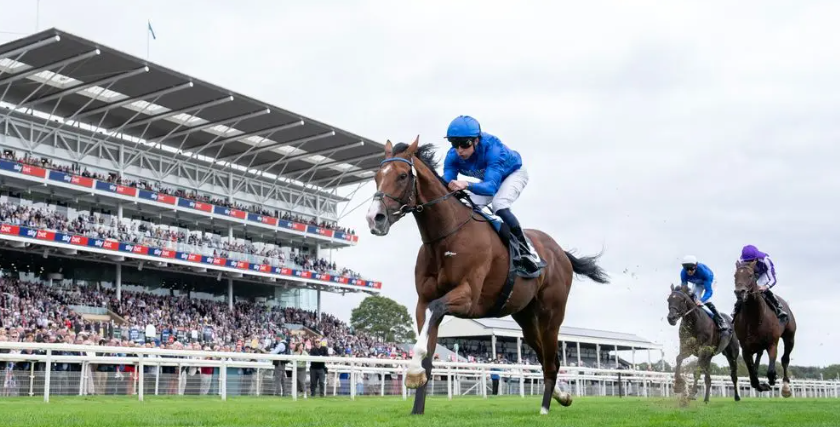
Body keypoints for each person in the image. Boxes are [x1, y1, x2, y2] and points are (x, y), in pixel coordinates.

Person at [442, 115, 541, 272]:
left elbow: (490, 189)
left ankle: (526, 250)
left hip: (512, 174)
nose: (459, 150)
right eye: (454, 144)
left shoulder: (493, 149)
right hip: (489, 180)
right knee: (464, 205)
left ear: (476, 140)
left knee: (499, 205)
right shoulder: (452, 156)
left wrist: (466, 184)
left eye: (464, 144)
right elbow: (444, 184)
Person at [734, 244, 788, 322]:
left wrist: (766, 286)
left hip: (763, 274)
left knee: (759, 286)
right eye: (747, 261)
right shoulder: (740, 260)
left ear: (756, 258)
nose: (748, 263)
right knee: (743, 290)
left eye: (751, 260)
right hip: (750, 274)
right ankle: (736, 310)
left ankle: (778, 308)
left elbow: (773, 278)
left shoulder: (765, 260)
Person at [680, 255, 730, 335]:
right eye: (687, 269)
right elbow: (684, 289)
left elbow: (709, 292)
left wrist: (701, 300)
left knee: (706, 300)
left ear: (695, 266)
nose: (689, 271)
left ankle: (721, 321)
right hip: (698, 284)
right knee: (693, 299)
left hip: (710, 281)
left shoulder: (704, 272)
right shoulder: (683, 274)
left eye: (691, 268)